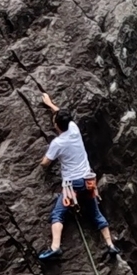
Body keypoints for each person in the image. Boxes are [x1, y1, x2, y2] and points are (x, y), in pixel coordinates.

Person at [37, 92, 121, 261]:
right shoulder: (74, 129)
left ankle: (55, 247)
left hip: (72, 185)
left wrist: (44, 159)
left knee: (57, 214)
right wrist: (51, 104)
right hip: (88, 181)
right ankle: (110, 245)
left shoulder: (58, 143)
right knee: (95, 213)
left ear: (56, 125)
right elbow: (61, 114)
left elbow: (45, 163)